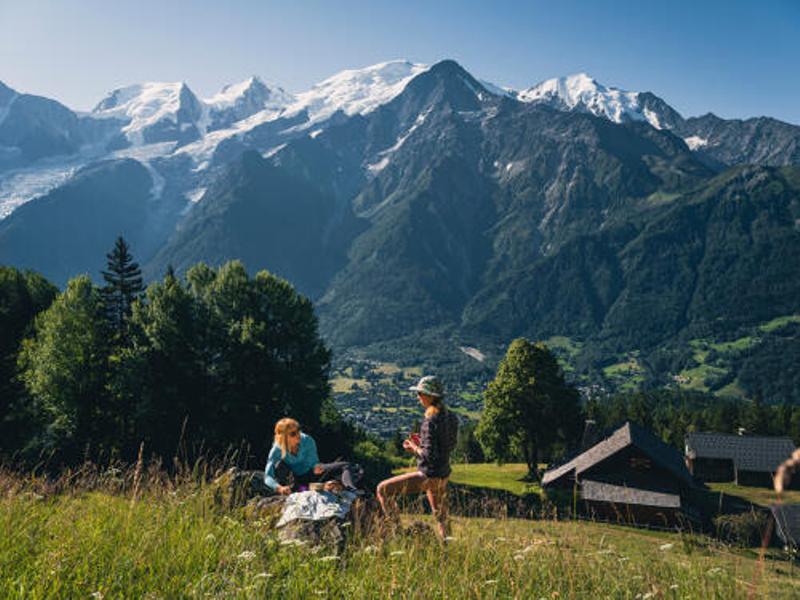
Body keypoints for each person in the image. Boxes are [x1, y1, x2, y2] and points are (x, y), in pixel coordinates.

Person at [376, 375, 458, 540]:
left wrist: (414, 447)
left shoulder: (430, 420)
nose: (418, 397)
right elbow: (446, 446)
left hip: (428, 475)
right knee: (441, 515)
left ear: (430, 396)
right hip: (444, 474)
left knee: (383, 489)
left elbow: (428, 455)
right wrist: (423, 443)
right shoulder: (451, 417)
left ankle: (399, 535)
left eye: (420, 393)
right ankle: (447, 547)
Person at [264, 417, 363, 495]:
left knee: (347, 466)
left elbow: (314, 462)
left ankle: (351, 489)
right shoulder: (276, 450)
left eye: (298, 430)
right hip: (295, 480)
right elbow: (268, 476)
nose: (298, 434)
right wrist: (279, 488)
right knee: (279, 465)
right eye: (293, 433)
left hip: (312, 472)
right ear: (283, 437)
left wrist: (316, 467)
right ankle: (311, 488)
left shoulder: (307, 440)